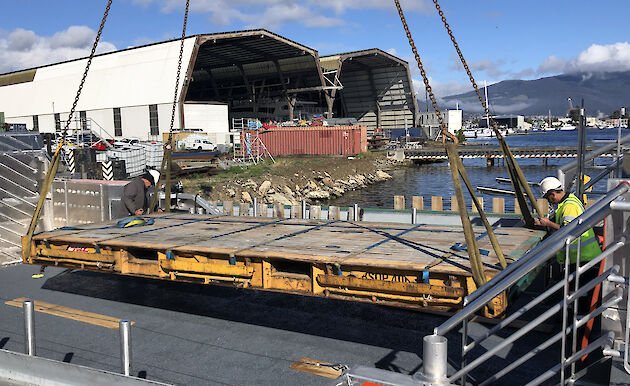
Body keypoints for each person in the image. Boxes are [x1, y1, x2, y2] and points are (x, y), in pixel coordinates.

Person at [534, 176, 602, 367]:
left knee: (581, 298)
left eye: (549, 198)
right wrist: (542, 223)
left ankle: (579, 338)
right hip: (576, 259)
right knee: (574, 294)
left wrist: (547, 224)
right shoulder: (565, 205)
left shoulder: (570, 205)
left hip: (584, 258)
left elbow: (567, 231)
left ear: (553, 194)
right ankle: (574, 329)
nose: (549, 201)